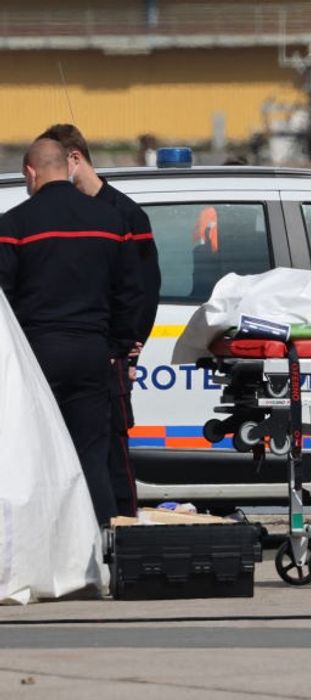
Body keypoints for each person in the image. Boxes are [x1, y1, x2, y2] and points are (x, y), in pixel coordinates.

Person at [0, 138, 144, 526]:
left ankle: (42, 553)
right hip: (91, 354)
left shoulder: (12, 226)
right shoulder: (112, 223)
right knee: (92, 457)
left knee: (33, 459)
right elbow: (131, 293)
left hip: (35, 358)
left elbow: (3, 300)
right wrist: (116, 345)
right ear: (69, 166)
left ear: (30, 173)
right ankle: (99, 553)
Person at [38, 124, 161, 518]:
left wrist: (127, 345)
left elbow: (144, 287)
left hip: (110, 353)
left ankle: (120, 527)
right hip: (85, 349)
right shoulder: (68, 215)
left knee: (111, 447)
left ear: (74, 159)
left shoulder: (124, 214)